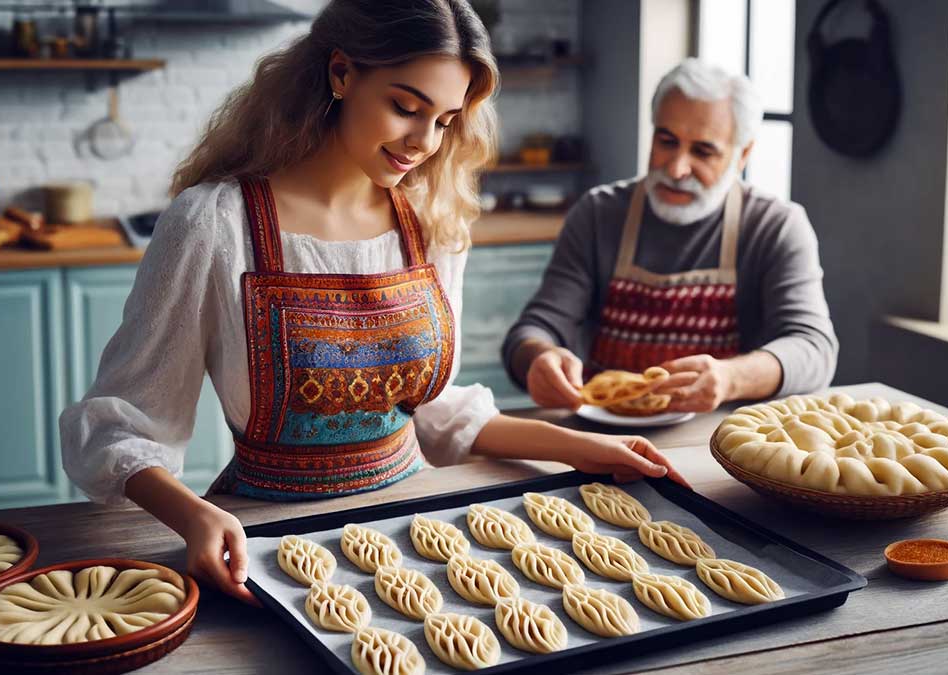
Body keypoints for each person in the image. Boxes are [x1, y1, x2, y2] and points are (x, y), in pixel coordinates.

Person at [60, 0, 687, 607]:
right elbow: (121, 423)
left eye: (444, 120)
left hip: (418, 528)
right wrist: (195, 514)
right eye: (406, 107)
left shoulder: (431, 222)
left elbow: (430, 411)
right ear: (341, 73)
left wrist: (581, 445)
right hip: (268, 538)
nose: (425, 142)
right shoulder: (215, 224)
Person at [502, 58, 838, 414]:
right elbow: (532, 330)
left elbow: (814, 348)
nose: (676, 169)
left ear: (743, 155)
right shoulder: (598, 214)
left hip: (719, 441)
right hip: (601, 439)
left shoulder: (776, 226)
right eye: (666, 141)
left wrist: (731, 378)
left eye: (703, 151)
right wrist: (538, 358)